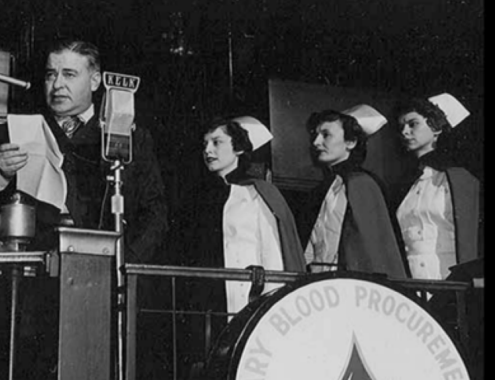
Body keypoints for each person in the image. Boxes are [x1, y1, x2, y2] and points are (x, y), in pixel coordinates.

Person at [0, 39, 168, 378]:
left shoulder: (129, 137)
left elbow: (155, 212)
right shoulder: (16, 133)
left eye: (69, 74)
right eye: (50, 75)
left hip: (104, 287)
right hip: (32, 290)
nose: (56, 85)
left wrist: (123, 266)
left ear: (95, 80)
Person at [178, 115, 306, 378]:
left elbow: (273, 253)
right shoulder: (202, 196)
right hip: (211, 301)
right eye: (205, 144)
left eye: (217, 142)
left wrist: (272, 307)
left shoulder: (258, 193)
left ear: (238, 148)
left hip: (249, 297)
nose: (208, 150)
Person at [298, 104, 407, 278]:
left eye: (326, 135)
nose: (316, 142)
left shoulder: (363, 184)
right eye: (316, 135)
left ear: (351, 142)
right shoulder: (323, 190)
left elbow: (374, 255)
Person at [391, 93, 481, 280]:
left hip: (449, 282)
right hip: (410, 282)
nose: (405, 132)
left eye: (413, 124)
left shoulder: (459, 179)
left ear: (436, 128)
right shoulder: (403, 184)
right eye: (401, 127)